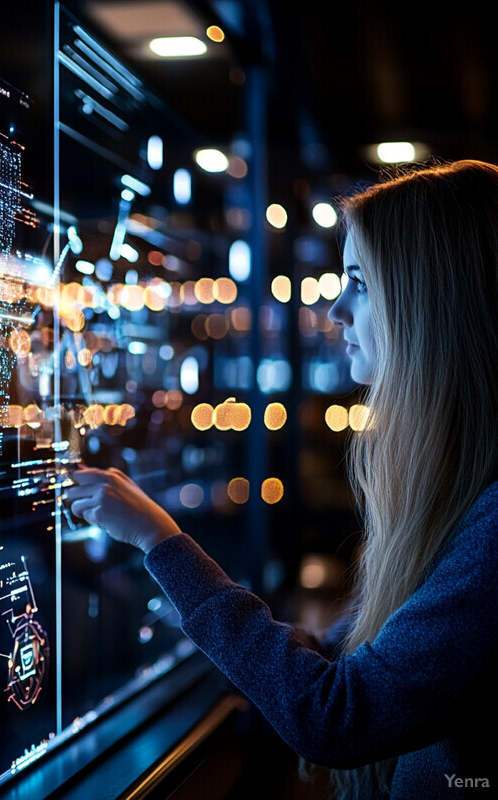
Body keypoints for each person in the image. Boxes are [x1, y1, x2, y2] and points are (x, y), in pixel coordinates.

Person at [67, 160, 498, 799]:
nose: (336, 308)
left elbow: (339, 716)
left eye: (360, 282)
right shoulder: (462, 487)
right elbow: (343, 655)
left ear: (428, 299)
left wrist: (162, 542)